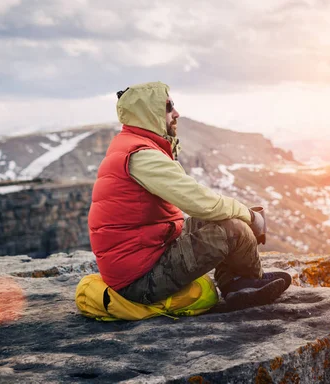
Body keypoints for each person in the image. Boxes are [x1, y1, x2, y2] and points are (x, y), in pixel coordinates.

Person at [88, 81, 291, 311]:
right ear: (149, 113)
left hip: (144, 259)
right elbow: (201, 204)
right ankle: (246, 284)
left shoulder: (133, 147)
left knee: (221, 221)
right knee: (234, 228)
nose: (176, 113)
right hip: (139, 281)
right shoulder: (141, 156)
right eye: (168, 106)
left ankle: (240, 284)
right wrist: (251, 217)